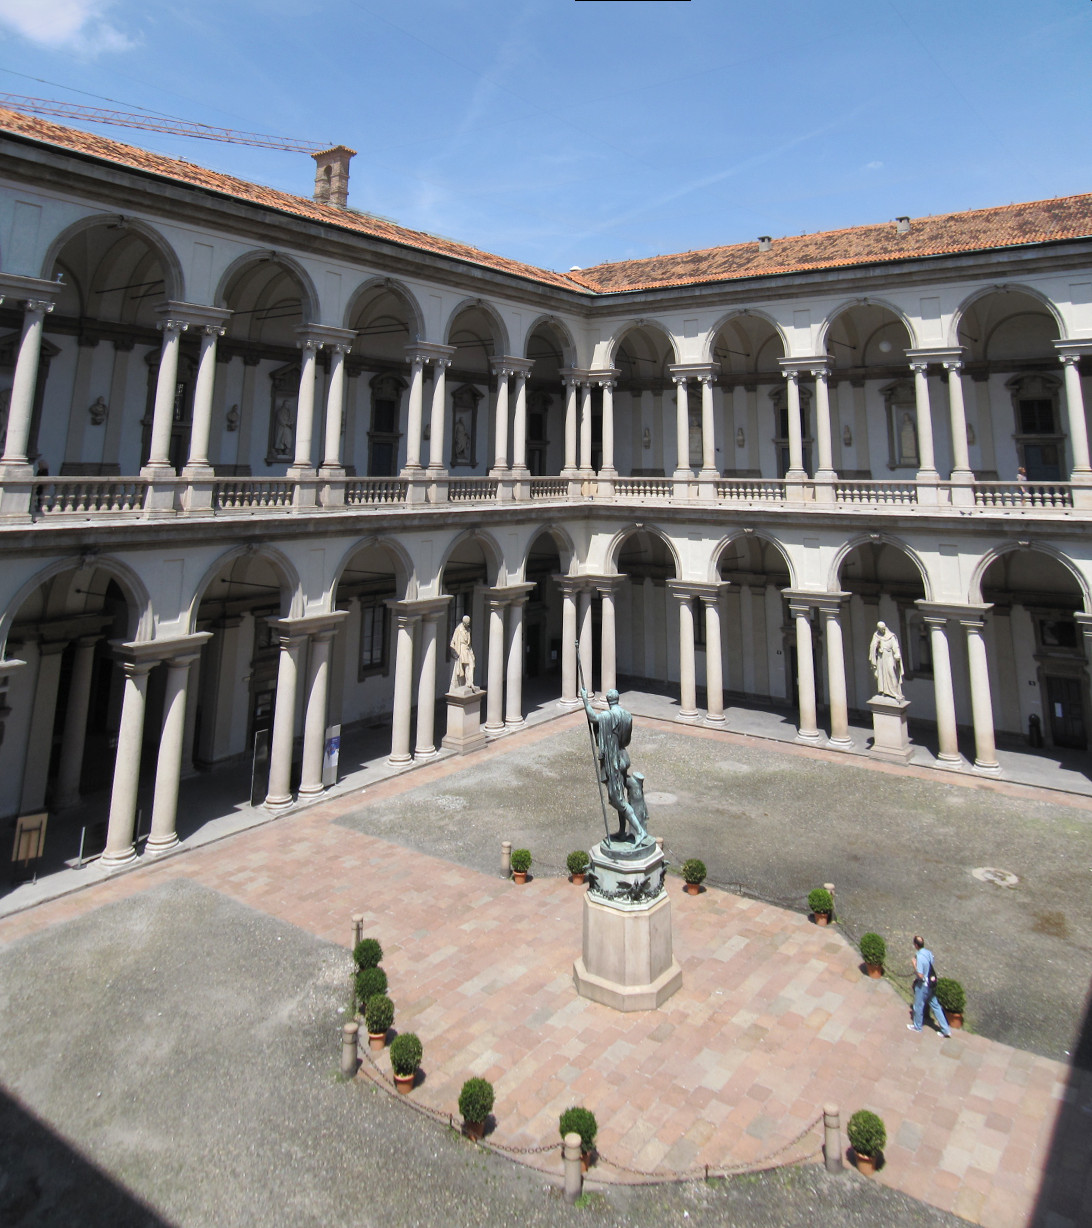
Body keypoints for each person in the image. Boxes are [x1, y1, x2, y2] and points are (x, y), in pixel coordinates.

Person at [581, 685, 649, 846]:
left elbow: (593, 718)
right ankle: (622, 831)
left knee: (617, 799)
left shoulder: (609, 716)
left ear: (608, 701)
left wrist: (585, 700)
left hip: (613, 761)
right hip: (623, 756)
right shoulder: (627, 716)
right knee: (620, 793)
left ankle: (640, 832)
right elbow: (626, 740)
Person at [908, 935, 951, 1037]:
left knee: (918, 1005)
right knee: (935, 1006)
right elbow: (931, 962)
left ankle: (917, 1026)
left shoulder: (919, 957)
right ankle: (945, 1029)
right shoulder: (928, 953)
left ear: (915, 945)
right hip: (931, 984)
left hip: (923, 985)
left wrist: (914, 964)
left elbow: (920, 974)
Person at [869, 620, 904, 701]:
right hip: (881, 658)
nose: (883, 630)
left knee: (891, 673)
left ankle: (895, 692)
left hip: (889, 657)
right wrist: (876, 645)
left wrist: (897, 654)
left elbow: (896, 647)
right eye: (881, 629)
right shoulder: (876, 635)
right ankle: (884, 691)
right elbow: (872, 647)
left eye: (883, 628)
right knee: (882, 675)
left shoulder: (891, 636)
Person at [449, 615, 476, 690]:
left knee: (471, 664)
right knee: (467, 666)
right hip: (461, 650)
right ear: (464, 623)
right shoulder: (458, 629)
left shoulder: (468, 630)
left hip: (467, 649)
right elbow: (453, 641)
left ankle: (470, 681)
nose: (468, 625)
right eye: (467, 623)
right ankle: (469, 682)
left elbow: (469, 643)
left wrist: (471, 652)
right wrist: (454, 653)